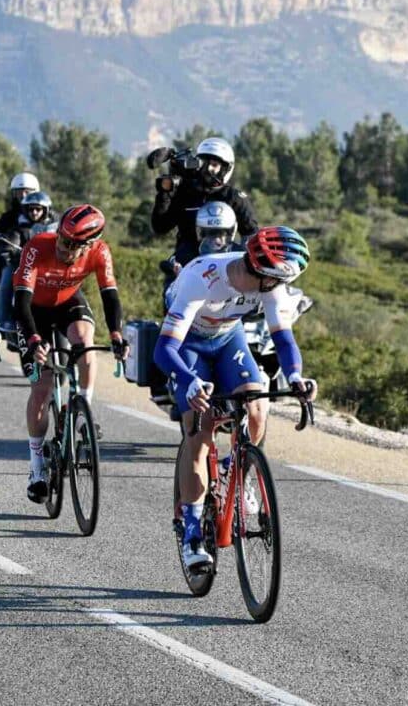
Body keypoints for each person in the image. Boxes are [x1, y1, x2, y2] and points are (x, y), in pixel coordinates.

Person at [153, 226, 316, 570]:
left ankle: (234, 471)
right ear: (263, 273)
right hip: (188, 345)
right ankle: (193, 531)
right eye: (278, 281)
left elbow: (284, 341)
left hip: (228, 338)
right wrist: (190, 381)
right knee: (200, 430)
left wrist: (297, 376)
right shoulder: (203, 278)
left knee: (257, 406)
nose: (279, 289)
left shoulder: (271, 286)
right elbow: (163, 349)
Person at [12, 204, 129, 504]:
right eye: (61, 240)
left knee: (86, 345)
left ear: (88, 245)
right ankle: (37, 467)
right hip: (33, 312)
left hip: (67, 303)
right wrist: (34, 339)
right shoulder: (38, 247)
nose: (62, 247)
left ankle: (82, 414)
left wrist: (116, 334)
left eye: (70, 245)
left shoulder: (99, 253)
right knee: (43, 387)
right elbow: (21, 302)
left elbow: (110, 296)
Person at [151, 138, 257, 280]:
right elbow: (160, 227)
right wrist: (165, 193)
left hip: (223, 265)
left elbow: (251, 236)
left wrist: (246, 269)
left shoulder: (234, 197)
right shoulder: (186, 192)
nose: (208, 168)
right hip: (185, 265)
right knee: (171, 294)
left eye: (214, 164)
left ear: (226, 169)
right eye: (203, 162)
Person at [0, 190, 59, 337]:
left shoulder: (56, 225)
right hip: (22, 265)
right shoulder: (20, 227)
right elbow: (12, 240)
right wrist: (8, 250)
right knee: (7, 274)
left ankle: (70, 314)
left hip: (50, 266)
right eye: (31, 209)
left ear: (46, 210)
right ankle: (4, 319)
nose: (34, 212)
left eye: (38, 209)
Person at [159, 200, 239, 280]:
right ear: (200, 231)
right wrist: (178, 274)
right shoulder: (185, 253)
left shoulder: (240, 255)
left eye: (222, 232)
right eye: (210, 232)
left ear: (230, 232)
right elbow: (170, 289)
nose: (216, 239)